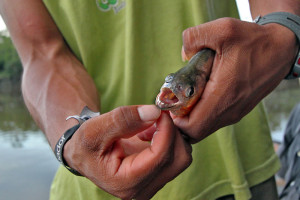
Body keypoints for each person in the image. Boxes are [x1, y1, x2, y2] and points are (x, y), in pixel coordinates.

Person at [0, 0, 299, 199]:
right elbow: (41, 53)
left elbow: (277, 17)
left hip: (242, 167)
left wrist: (283, 30)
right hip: (93, 189)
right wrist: (75, 138)